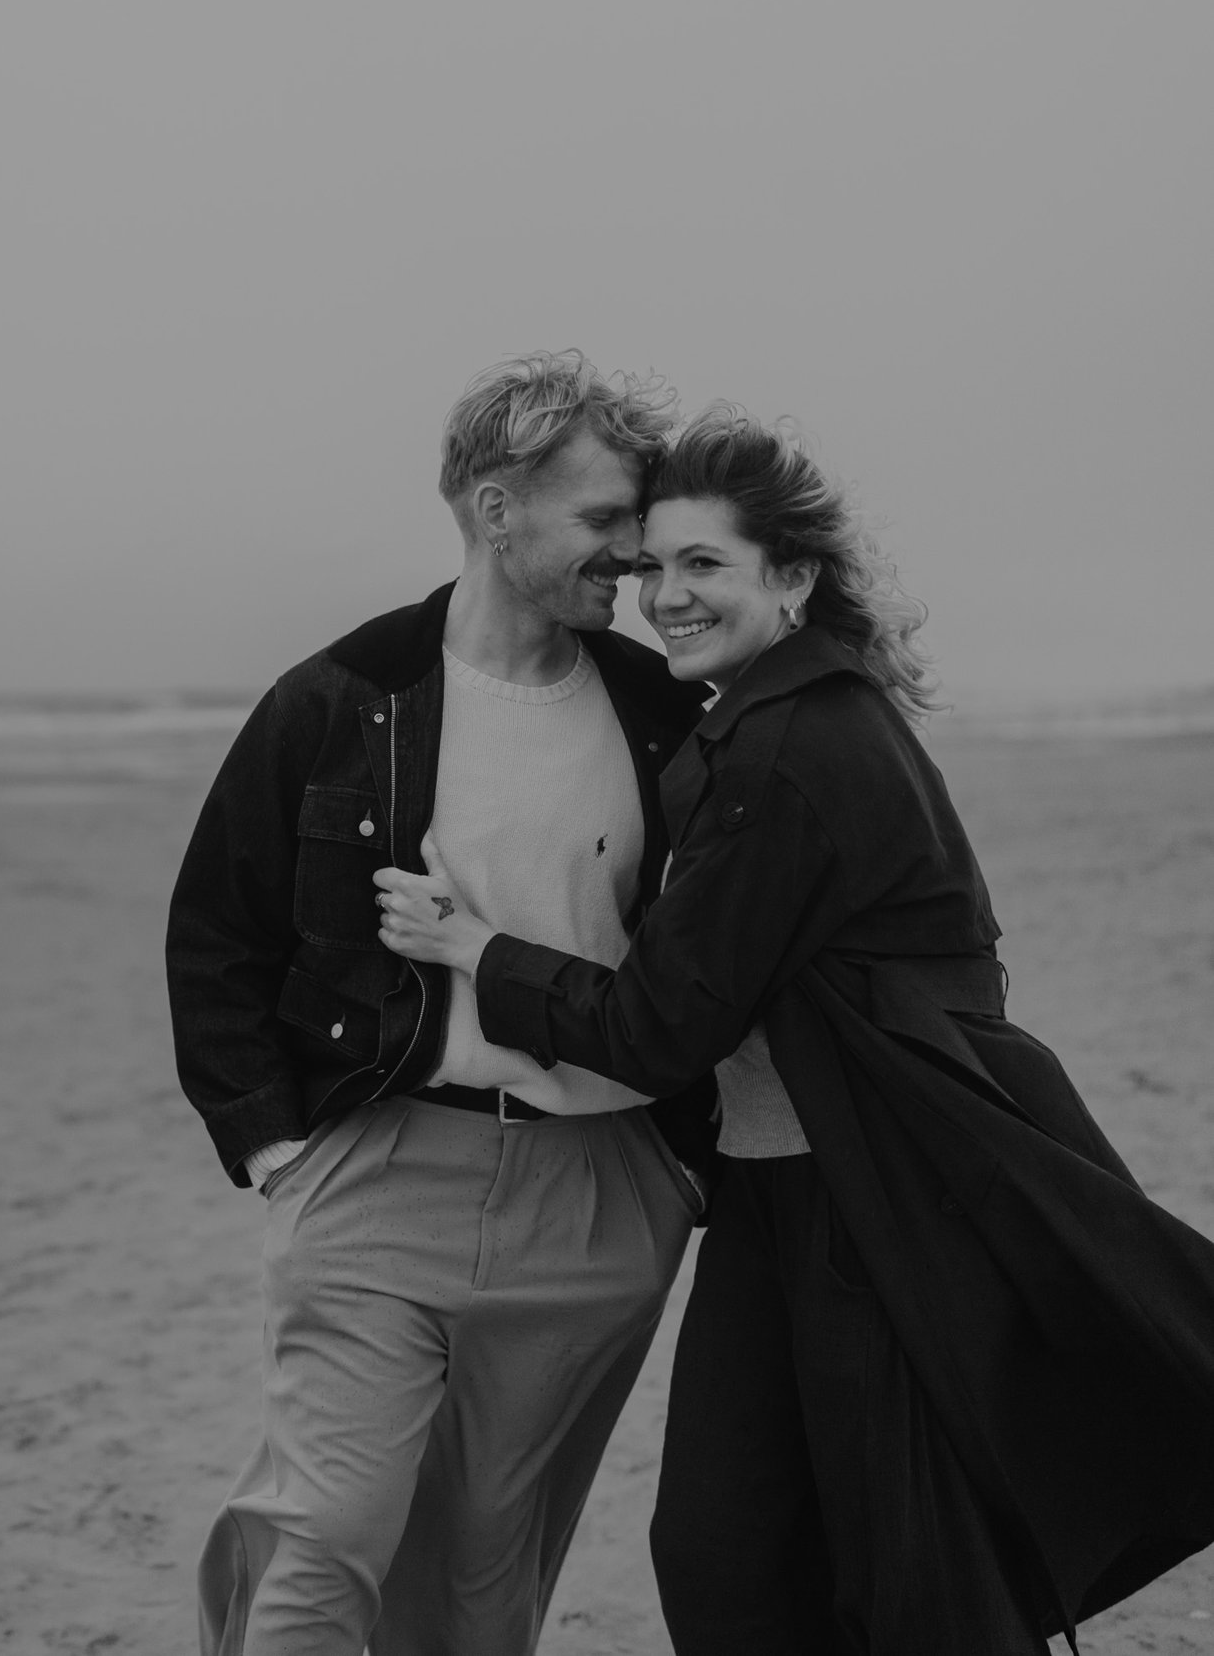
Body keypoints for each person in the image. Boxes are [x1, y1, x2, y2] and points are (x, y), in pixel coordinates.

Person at [376, 405, 1214, 1652]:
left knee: (891, 1559)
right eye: (651, 563)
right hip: (786, 1187)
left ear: (792, 576)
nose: (664, 593)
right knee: (752, 1551)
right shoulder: (787, 719)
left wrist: (474, 948)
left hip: (873, 1194)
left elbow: (658, 1025)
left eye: (702, 562)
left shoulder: (790, 748)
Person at [165, 350, 720, 1656]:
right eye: (603, 520)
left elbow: (716, 948)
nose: (632, 558)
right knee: (324, 1529)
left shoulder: (664, 710)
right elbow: (217, 931)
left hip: (600, 1191)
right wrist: (279, 1150)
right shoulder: (340, 698)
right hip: (378, 1172)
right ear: (494, 507)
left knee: (481, 1577)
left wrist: (677, 1174)